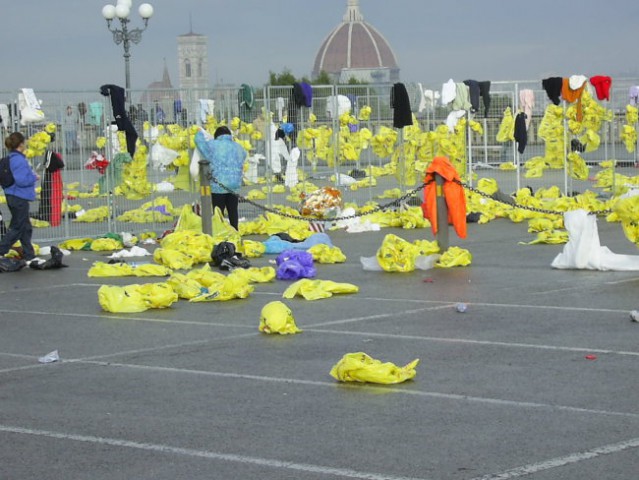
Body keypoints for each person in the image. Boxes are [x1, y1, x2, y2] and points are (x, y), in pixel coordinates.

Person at [0, 132, 42, 265]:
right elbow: (22, 180)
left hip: (13, 195)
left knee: (25, 227)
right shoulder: (19, 160)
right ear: (21, 144)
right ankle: (1, 250)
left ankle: (29, 255)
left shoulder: (11, 158)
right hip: (19, 196)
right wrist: (34, 177)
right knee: (17, 227)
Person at [194, 125, 247, 230]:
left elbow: (201, 145)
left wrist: (199, 133)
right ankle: (234, 232)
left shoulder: (213, 145)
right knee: (233, 211)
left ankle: (220, 232)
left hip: (218, 185)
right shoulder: (238, 147)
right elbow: (244, 156)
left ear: (217, 135)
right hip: (234, 185)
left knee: (218, 212)